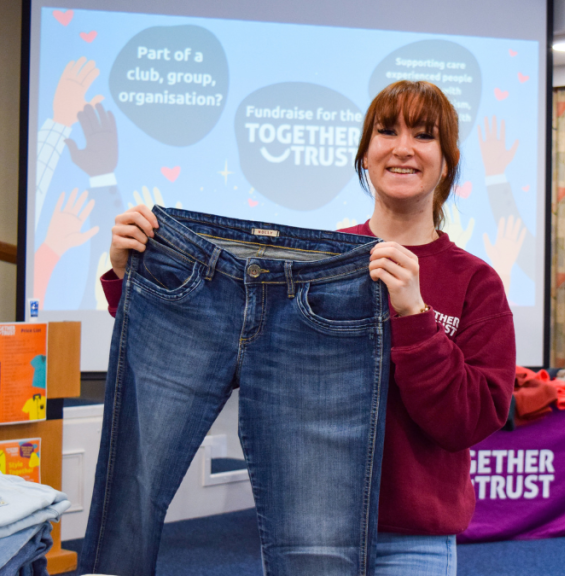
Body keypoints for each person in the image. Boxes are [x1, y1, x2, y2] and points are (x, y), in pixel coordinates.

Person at [100, 80, 516, 575]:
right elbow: (229, 339)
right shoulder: (315, 262)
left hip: (414, 542)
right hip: (309, 528)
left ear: (446, 163)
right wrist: (136, 280)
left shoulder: (475, 282)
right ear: (365, 155)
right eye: (387, 131)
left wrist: (416, 318)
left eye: (424, 136)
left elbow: (471, 420)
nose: (403, 148)